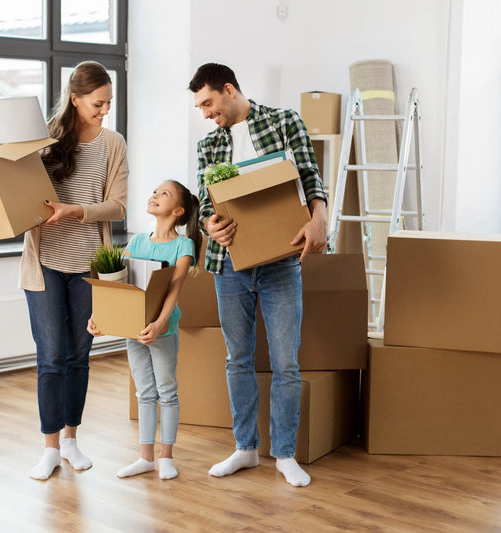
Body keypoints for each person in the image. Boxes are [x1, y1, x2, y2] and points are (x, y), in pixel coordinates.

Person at [188, 63, 328, 487]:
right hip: (230, 266)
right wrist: (208, 225)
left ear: (229, 90)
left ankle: (284, 454)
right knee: (238, 359)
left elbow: (310, 178)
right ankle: (245, 449)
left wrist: (320, 219)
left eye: (209, 103)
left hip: (281, 260)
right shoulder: (208, 145)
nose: (207, 113)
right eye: (200, 107)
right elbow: (204, 204)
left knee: (286, 362)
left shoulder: (284, 122)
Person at [20, 60, 129, 481]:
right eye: (98, 103)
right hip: (44, 265)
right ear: (75, 98)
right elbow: (15, 195)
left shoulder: (113, 144)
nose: (104, 111)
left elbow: (118, 206)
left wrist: (75, 211)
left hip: (88, 265)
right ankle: (48, 447)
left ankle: (70, 439)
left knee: (78, 356)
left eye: (108, 104)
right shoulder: (43, 139)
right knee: (50, 357)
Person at [87, 180, 200, 480]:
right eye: (154, 191)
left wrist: (160, 324)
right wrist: (99, 316)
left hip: (161, 330)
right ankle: (145, 457)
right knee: (145, 392)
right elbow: (119, 286)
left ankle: (166, 457)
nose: (154, 195)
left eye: (164, 194)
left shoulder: (183, 245)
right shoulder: (137, 241)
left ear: (178, 210)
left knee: (167, 390)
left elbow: (174, 289)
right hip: (133, 330)